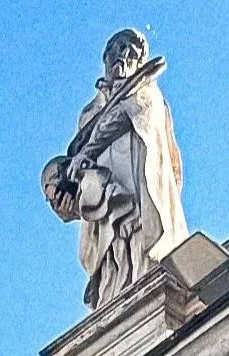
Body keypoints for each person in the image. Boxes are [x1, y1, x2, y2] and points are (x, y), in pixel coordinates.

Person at [42, 28, 187, 312]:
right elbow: (79, 172)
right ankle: (115, 298)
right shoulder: (88, 114)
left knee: (144, 251)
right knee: (114, 267)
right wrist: (70, 203)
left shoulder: (145, 89)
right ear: (106, 57)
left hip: (138, 197)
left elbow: (125, 115)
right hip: (105, 213)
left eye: (131, 51)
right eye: (118, 48)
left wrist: (87, 151)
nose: (123, 55)